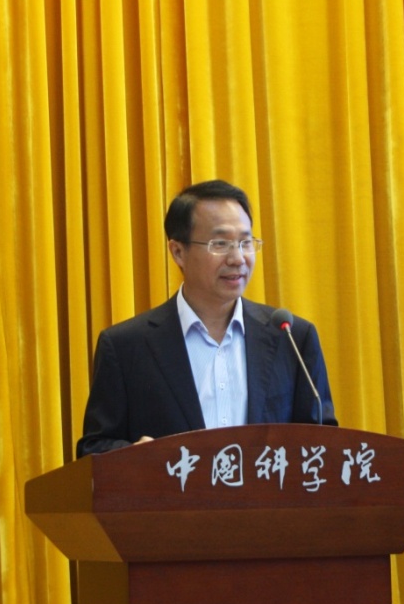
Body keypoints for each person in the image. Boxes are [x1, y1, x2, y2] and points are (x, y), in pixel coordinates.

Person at [75, 179, 337, 458]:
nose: (238, 258)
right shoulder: (126, 346)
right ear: (178, 252)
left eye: (245, 242)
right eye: (220, 243)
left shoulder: (291, 337)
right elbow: (93, 449)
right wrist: (136, 457)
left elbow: (323, 442)